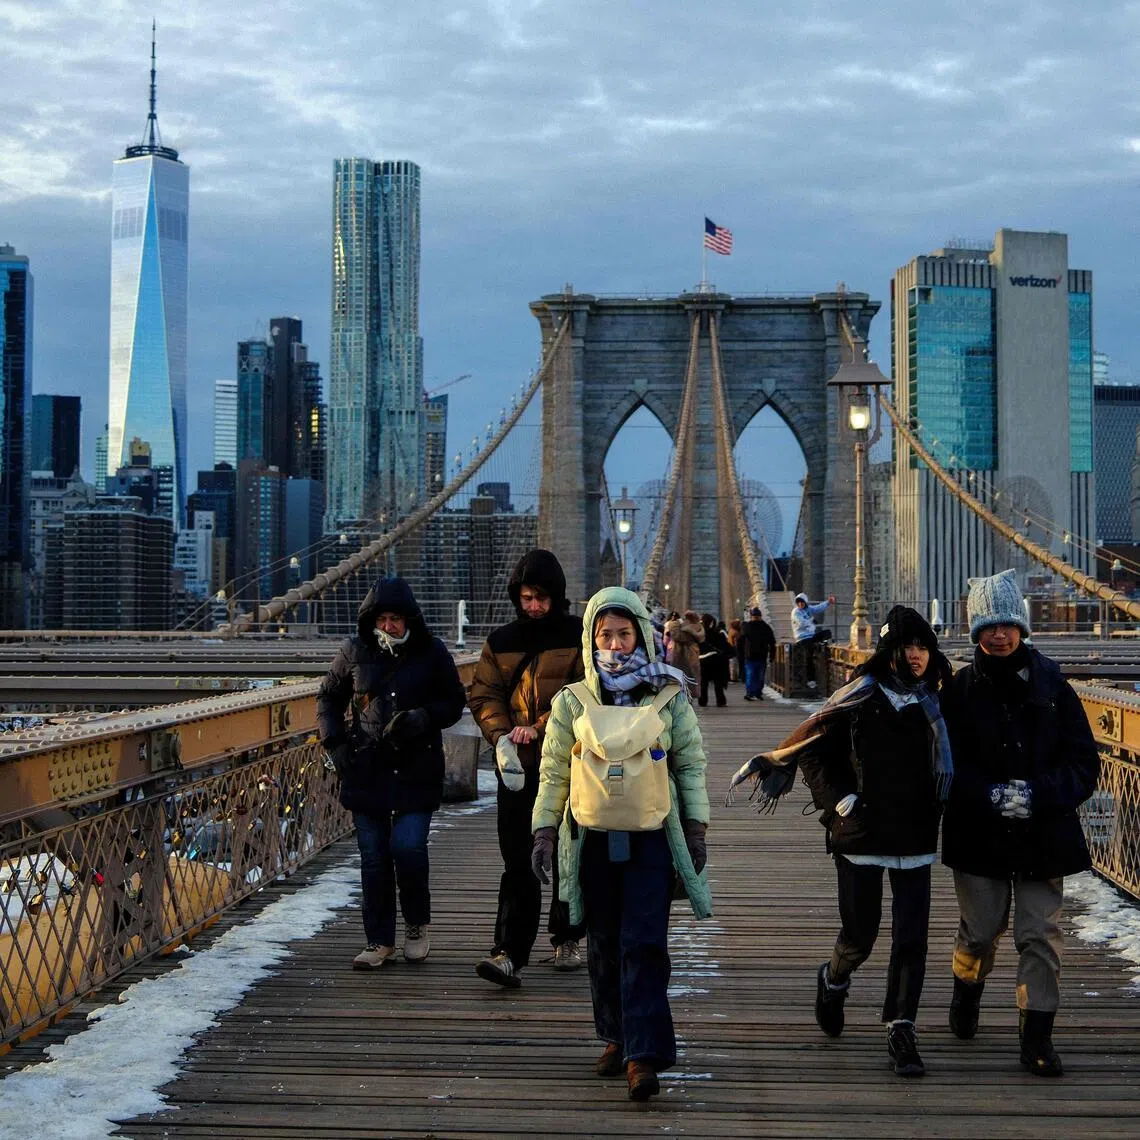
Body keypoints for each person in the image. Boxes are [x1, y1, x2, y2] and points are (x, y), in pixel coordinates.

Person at [531, 587, 711, 1101]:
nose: (614, 642)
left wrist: (696, 827)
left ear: (642, 636)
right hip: (592, 838)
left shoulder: (669, 697)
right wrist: (544, 830)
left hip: (653, 837)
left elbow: (691, 765)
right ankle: (616, 1037)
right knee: (605, 943)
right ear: (590, 638)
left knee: (646, 943)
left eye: (624, 632)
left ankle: (643, 1054)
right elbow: (553, 773)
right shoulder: (572, 702)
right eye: (604, 633)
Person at [941, 569, 1100, 1077]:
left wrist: (1035, 795)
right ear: (975, 632)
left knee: (1040, 934)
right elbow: (942, 767)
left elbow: (1084, 764)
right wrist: (987, 794)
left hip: (1041, 834)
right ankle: (967, 988)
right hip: (980, 833)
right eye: (989, 626)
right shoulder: (958, 691)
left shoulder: (1055, 685)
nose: (1000, 634)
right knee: (981, 932)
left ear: (1022, 628)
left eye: (1008, 624)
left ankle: (1036, 1037)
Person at [318, 577, 466, 969]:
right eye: (382, 618)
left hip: (417, 768)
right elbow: (328, 698)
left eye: (395, 618)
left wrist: (424, 717)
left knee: (408, 847)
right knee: (374, 857)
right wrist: (334, 745)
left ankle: (416, 925)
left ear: (409, 619)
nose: (389, 626)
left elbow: (454, 701)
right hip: (366, 768)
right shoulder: (352, 651)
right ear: (370, 620)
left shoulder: (432, 652)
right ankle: (378, 941)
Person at [467, 549, 587, 987]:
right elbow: (483, 694)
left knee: (567, 852)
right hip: (515, 768)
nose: (532, 606)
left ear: (556, 596)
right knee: (517, 859)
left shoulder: (579, 636)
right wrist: (502, 736)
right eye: (525, 597)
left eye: (540, 597)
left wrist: (537, 728)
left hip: (569, 765)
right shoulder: (499, 642)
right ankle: (507, 953)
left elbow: (583, 692)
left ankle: (568, 936)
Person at [792, 592, 836, 691]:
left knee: (827, 632)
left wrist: (828, 602)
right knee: (809, 657)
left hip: (811, 637)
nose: (800, 604)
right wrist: (812, 621)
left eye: (802, 602)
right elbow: (801, 623)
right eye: (798, 603)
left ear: (805, 603)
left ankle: (823, 643)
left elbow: (818, 608)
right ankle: (810, 680)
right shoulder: (796, 612)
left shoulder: (807, 609)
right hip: (802, 638)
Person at [739, 606, 776, 701]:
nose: (755, 618)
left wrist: (772, 654)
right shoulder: (765, 627)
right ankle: (752, 692)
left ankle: (754, 692)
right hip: (755, 655)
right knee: (756, 675)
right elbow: (772, 642)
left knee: (754, 675)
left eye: (756, 616)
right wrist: (772, 655)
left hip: (755, 655)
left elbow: (772, 642)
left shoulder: (749, 626)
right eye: (755, 616)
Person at [697, 613, 730, 707]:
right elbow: (724, 647)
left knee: (703, 682)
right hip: (717, 661)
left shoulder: (699, 634)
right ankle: (720, 701)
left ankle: (702, 701)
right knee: (718, 682)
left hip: (702, 660)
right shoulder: (718, 633)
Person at [663, 609, 704, 684]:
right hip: (686, 652)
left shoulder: (673, 625)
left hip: (679, 652)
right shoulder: (698, 626)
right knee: (689, 674)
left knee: (680, 675)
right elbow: (701, 638)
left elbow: (675, 637)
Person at [726, 619, 744, 683]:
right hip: (736, 648)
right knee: (736, 663)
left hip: (732, 648)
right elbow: (736, 641)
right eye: (739, 624)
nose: (740, 625)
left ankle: (734, 676)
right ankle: (735, 677)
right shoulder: (736, 632)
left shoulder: (731, 630)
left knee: (733, 663)